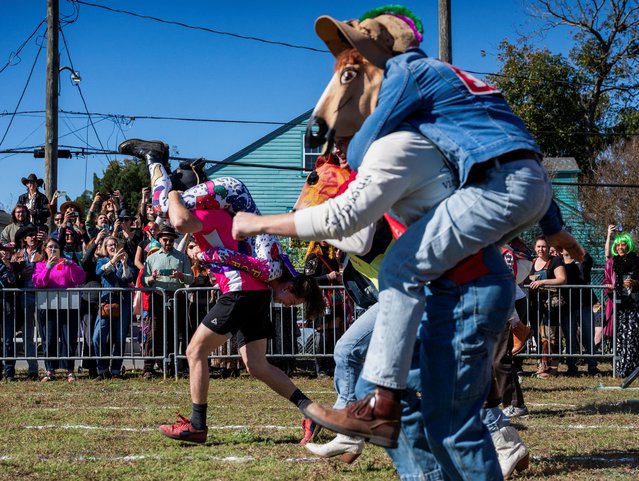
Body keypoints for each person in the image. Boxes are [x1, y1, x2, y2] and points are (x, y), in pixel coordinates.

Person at [119, 137, 326, 444]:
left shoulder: (211, 216)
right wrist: (202, 251)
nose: (286, 304)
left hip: (243, 292)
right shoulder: (224, 219)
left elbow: (180, 219)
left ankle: (198, 425)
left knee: (195, 351)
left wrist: (200, 247)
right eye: (291, 300)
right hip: (248, 287)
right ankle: (311, 411)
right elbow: (220, 244)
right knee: (257, 365)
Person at [142, 226, 193, 378]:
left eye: (171, 240)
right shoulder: (151, 258)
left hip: (177, 296)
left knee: (174, 331)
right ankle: (148, 367)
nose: (168, 243)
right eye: (165, 240)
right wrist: (152, 278)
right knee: (154, 331)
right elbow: (144, 281)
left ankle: (172, 366)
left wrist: (181, 275)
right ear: (160, 240)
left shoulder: (182, 257)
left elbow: (191, 278)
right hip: (158, 296)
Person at [32, 237, 86, 382]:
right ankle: (50, 371)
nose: (53, 250)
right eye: (50, 247)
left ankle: (70, 371)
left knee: (69, 338)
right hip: (48, 307)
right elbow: (38, 282)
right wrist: (48, 267)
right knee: (49, 339)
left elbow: (80, 279)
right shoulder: (41, 265)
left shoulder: (68, 263)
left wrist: (72, 266)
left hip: (68, 306)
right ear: (45, 249)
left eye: (56, 247)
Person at [93, 236, 136, 380]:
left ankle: (116, 370)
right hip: (107, 302)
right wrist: (113, 261)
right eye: (110, 245)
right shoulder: (102, 260)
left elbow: (129, 278)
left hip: (123, 302)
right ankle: (102, 369)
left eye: (115, 244)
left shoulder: (126, 260)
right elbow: (101, 272)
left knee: (119, 337)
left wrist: (124, 264)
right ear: (105, 247)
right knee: (98, 336)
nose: (112, 247)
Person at [527, 236, 567, 378]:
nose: (540, 249)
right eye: (538, 246)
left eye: (543, 246)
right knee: (538, 335)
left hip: (551, 304)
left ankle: (551, 367)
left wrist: (543, 282)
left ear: (548, 248)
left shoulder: (555, 261)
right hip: (535, 305)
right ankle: (541, 364)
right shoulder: (531, 262)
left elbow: (562, 279)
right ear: (534, 248)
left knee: (550, 336)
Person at [304, 241, 343, 377]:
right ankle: (320, 368)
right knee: (321, 330)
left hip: (334, 299)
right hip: (319, 299)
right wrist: (328, 276)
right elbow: (307, 279)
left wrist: (339, 273)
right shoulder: (313, 256)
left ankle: (332, 365)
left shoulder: (334, 255)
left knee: (334, 330)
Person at [9, 224, 43, 380]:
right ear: (24, 238)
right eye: (30, 235)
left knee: (44, 333)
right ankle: (33, 369)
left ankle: (50, 369)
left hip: (42, 296)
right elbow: (11, 278)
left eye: (34, 234)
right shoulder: (17, 256)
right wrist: (21, 274)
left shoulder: (43, 253)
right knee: (28, 335)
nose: (33, 237)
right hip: (24, 297)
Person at [561, 248, 600, 377]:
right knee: (570, 339)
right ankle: (572, 367)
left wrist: (573, 245)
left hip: (585, 305)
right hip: (567, 308)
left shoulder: (582, 262)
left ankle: (592, 367)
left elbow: (588, 258)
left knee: (588, 337)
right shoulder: (559, 263)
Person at [604, 232, 639, 377]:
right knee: (619, 337)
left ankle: (633, 368)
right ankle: (620, 368)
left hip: (634, 303)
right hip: (618, 303)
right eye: (617, 245)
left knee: (632, 336)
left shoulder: (636, 260)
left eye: (623, 244)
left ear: (628, 245)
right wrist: (610, 286)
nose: (620, 247)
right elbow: (606, 281)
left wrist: (635, 282)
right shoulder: (612, 262)